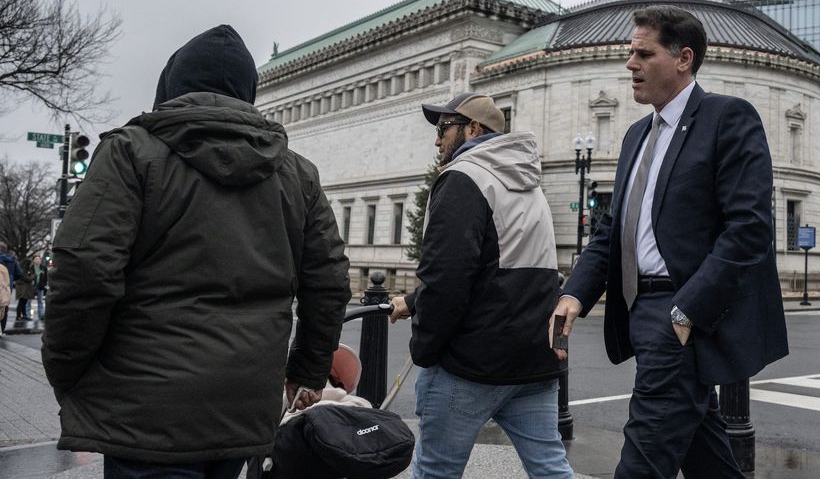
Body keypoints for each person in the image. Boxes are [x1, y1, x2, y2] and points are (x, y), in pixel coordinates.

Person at [42, 24, 352, 479]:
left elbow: (85, 271)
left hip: (143, 410)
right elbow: (329, 283)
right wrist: (305, 371)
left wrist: (66, 369)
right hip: (244, 405)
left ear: (172, 87)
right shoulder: (296, 174)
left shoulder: (130, 153)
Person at [553, 5, 788, 478]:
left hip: (681, 315)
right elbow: (612, 229)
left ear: (683, 58)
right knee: (707, 457)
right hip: (641, 314)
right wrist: (574, 293)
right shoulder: (637, 135)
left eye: (643, 53)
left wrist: (687, 312)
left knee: (642, 461)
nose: (630, 64)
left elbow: (749, 229)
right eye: (630, 53)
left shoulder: (727, 117)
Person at [390, 93, 574, 479]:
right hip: (531, 363)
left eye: (443, 129)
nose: (437, 140)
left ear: (473, 129)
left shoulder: (463, 178)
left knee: (435, 471)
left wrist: (424, 350)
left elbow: (448, 279)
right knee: (551, 470)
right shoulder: (530, 184)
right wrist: (413, 300)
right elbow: (501, 269)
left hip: (470, 365)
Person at [33, 254, 47, 321]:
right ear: (33, 260)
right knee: (28, 301)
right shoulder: (31, 267)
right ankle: (27, 315)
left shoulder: (43, 268)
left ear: (41, 260)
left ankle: (40, 316)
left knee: (40, 301)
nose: (38, 260)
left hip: (40, 286)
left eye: (39, 259)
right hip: (32, 286)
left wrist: (44, 284)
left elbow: (46, 277)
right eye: (36, 259)